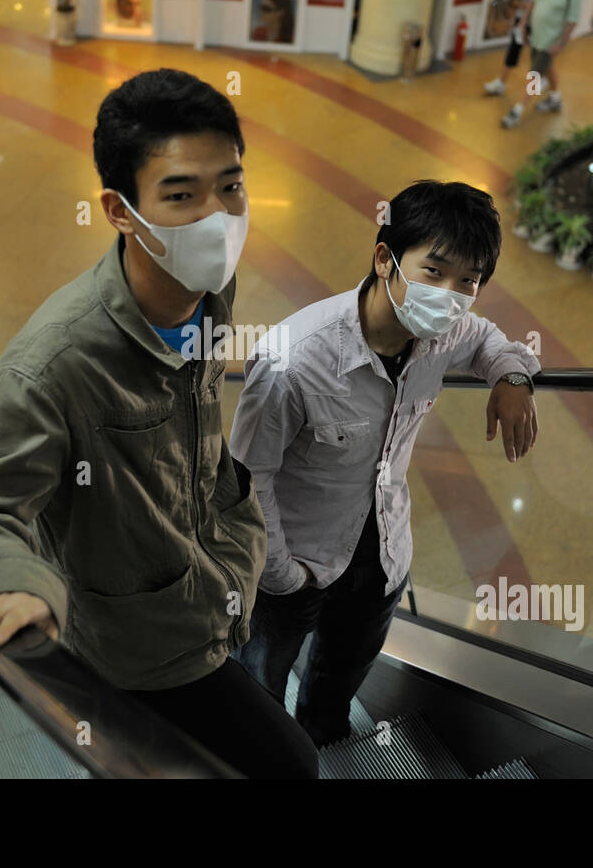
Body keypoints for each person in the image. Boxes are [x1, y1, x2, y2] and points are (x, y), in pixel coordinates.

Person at [0, 69, 318, 779]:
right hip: (142, 655)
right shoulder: (54, 365)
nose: (218, 217)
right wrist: (17, 580)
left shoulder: (208, 290)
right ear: (117, 209)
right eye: (180, 195)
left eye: (230, 186)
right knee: (289, 766)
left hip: (219, 593)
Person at [230, 180, 540, 747]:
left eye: (467, 281)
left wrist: (513, 376)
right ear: (384, 259)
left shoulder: (443, 333)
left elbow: (488, 338)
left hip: (382, 555)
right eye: (434, 271)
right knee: (260, 685)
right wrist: (281, 575)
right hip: (292, 562)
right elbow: (248, 477)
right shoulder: (293, 361)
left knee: (338, 681)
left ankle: (323, 740)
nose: (450, 294)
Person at [501, 0, 580, 129]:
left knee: (535, 74)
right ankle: (555, 98)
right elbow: (532, 2)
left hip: (551, 41)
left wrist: (561, 43)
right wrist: (523, 23)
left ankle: (519, 109)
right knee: (547, 68)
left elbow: (572, 21)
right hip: (536, 36)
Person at [484, 0, 558, 97]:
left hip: (538, 22)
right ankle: (503, 82)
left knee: (540, 57)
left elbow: (543, 3)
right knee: (514, 49)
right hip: (524, 19)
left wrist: (524, 6)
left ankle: (546, 91)